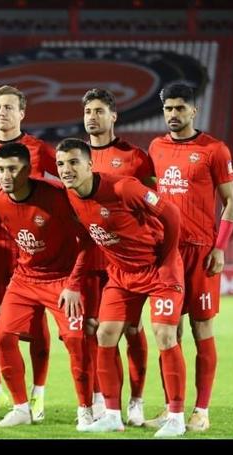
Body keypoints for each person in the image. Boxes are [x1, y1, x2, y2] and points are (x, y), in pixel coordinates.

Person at [57, 138, 187, 437]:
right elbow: (87, 238)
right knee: (104, 333)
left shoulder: (123, 188)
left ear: (90, 165)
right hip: (121, 274)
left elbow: (171, 213)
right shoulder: (71, 195)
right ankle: (112, 415)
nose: (66, 169)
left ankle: (176, 418)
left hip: (156, 268)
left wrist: (168, 261)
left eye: (74, 162)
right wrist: (73, 281)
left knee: (165, 335)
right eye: (61, 164)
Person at [147, 83, 233, 432]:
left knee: (202, 328)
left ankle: (201, 410)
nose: (173, 114)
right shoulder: (156, 148)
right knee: (166, 332)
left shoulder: (214, 150)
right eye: (168, 108)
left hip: (201, 252)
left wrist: (220, 247)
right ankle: (172, 407)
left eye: (180, 108)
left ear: (193, 111)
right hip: (166, 252)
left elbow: (230, 202)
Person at [0, 143, 93, 429]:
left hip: (62, 279)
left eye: (12, 169)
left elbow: (88, 239)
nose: (5, 176)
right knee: (3, 335)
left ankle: (86, 410)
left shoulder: (56, 196)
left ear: (29, 170)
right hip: (25, 279)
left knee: (75, 341)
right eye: (0, 169)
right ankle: (21, 408)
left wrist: (74, 284)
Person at [0, 85, 57, 420]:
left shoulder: (38, 149)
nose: (2, 113)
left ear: (22, 113)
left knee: (35, 322)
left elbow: (66, 178)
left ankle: (38, 394)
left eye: (9, 107)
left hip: (29, 246)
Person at [81, 88, 156, 424]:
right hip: (91, 258)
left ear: (113, 116)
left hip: (126, 260)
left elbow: (154, 204)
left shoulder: (134, 158)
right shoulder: (76, 157)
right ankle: (101, 401)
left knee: (133, 329)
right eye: (88, 112)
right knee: (94, 329)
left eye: (99, 111)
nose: (92, 118)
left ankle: (136, 401)